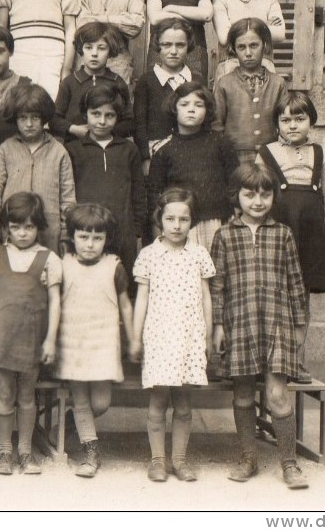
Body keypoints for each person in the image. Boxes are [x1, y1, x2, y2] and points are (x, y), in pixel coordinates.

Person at [211, 163, 310, 490]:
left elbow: (296, 283)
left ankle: (289, 463)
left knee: (278, 395)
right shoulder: (224, 235)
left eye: (265, 194)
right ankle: (248, 457)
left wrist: (299, 328)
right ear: (235, 197)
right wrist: (218, 325)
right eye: (249, 194)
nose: (257, 201)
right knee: (242, 395)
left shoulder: (282, 234)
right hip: (239, 325)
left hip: (276, 325)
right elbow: (217, 285)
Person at [131, 188, 216, 482]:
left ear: (192, 221)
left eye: (183, 219)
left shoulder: (199, 254)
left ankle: (179, 460)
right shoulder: (149, 255)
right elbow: (141, 299)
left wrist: (206, 336)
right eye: (170, 218)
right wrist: (135, 336)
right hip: (160, 337)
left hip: (190, 336)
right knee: (158, 400)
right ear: (160, 219)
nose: (176, 225)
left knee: (183, 403)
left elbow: (206, 297)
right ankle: (157, 460)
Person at [0, 192, 61, 475]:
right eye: (15, 227)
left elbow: (55, 302)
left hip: (32, 340)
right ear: (6, 227)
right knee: (4, 394)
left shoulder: (48, 259)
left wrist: (50, 339)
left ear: (39, 227)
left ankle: (25, 451)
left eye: (29, 227)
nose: (22, 233)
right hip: (2, 337)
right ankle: (4, 451)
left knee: (27, 396)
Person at [256, 93, 325, 383]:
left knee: (302, 298)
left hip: (311, 234)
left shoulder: (320, 154)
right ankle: (270, 359)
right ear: (276, 123)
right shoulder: (266, 153)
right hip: (279, 229)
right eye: (285, 119)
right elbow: (259, 194)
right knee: (275, 294)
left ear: (311, 120)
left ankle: (297, 361)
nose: (292, 126)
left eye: (299, 119)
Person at [54, 204, 135, 478]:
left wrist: (134, 339)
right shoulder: (63, 265)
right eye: (83, 237)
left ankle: (69, 424)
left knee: (100, 402)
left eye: (97, 238)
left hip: (102, 343)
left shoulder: (114, 267)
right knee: (80, 399)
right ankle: (91, 451)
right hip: (73, 342)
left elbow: (125, 306)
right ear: (72, 236)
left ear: (106, 239)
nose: (90, 244)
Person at [64, 86, 145, 279]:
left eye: (109, 115)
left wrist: (137, 231)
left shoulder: (129, 150)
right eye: (96, 114)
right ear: (85, 115)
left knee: (122, 284)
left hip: (122, 232)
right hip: (86, 232)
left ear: (117, 117)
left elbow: (139, 192)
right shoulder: (72, 150)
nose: (102, 121)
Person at [147, 81, 238, 249]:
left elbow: (235, 182)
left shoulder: (221, 143)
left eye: (199, 105)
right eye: (184, 104)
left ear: (207, 110)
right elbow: (155, 193)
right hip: (181, 225)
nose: (191, 109)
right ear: (174, 109)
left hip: (218, 221)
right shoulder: (164, 149)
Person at [0, 83, 75, 253]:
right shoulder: (5, 150)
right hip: (13, 231)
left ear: (44, 118)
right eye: (22, 117)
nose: (28, 124)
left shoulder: (59, 151)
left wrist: (65, 234)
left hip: (49, 233)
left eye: (34, 117)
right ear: (15, 118)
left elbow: (68, 197)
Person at [212, 18, 289, 163]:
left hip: (271, 156)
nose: (248, 53)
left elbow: (285, 122)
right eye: (241, 47)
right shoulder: (224, 83)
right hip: (234, 157)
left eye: (254, 45)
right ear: (233, 49)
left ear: (265, 46)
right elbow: (216, 126)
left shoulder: (278, 83)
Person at [134, 20, 207, 172]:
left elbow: (205, 120)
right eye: (167, 45)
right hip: (157, 155)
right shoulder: (146, 81)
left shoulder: (196, 79)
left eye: (180, 45)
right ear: (157, 46)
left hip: (191, 153)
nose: (173, 51)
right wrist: (146, 158)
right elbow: (139, 124)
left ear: (189, 46)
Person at [50, 21, 132, 142]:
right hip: (76, 147)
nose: (94, 53)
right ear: (81, 49)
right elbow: (54, 119)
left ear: (110, 51)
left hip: (109, 147)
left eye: (101, 48)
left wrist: (107, 132)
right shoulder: (70, 83)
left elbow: (129, 121)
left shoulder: (117, 83)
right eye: (88, 47)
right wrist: (73, 129)